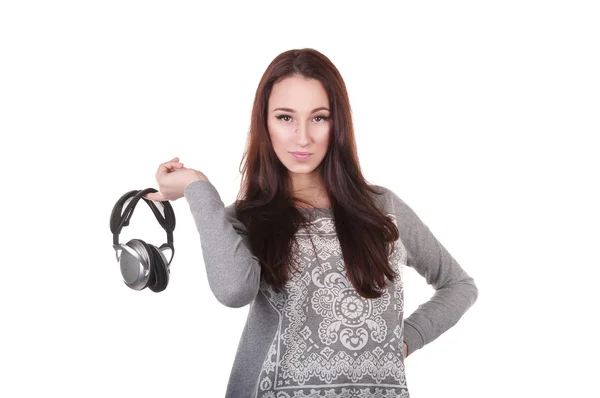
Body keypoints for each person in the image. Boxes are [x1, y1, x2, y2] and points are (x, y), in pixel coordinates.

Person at [144, 48, 478, 398]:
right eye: (285, 117)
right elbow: (233, 292)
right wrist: (198, 188)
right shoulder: (246, 218)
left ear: (339, 124)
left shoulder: (382, 207)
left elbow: (459, 285)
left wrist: (402, 342)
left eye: (319, 118)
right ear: (265, 124)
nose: (302, 137)